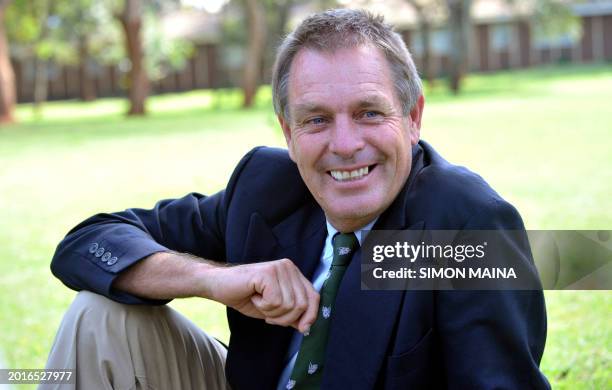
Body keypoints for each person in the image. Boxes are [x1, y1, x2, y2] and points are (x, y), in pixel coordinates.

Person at [45, 8, 550, 390]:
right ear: (288, 132)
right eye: (317, 119)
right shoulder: (267, 186)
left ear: (414, 117)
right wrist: (216, 280)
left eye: (370, 113)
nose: (346, 144)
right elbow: (87, 242)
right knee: (98, 316)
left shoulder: (463, 224)